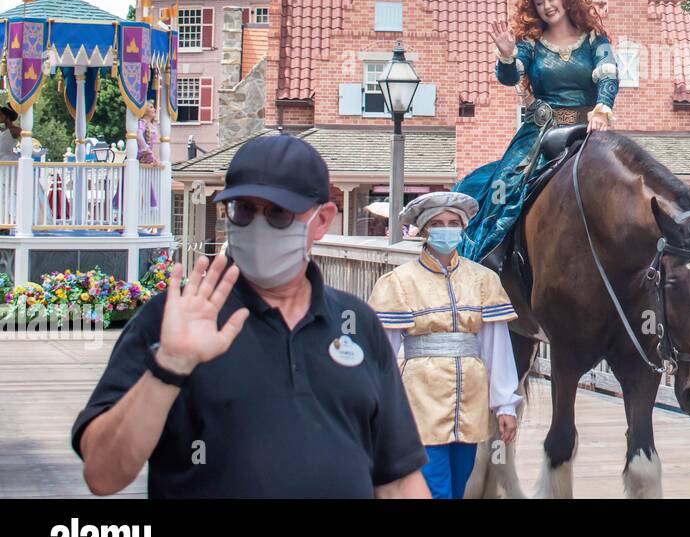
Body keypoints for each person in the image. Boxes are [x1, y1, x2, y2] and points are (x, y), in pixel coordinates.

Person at [71, 133, 429, 498]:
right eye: (242, 210)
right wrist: (168, 367)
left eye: (278, 213)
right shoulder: (175, 317)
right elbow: (103, 474)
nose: (257, 227)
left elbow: (398, 479)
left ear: (322, 221)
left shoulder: (357, 323)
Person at [455, 0, 619, 262]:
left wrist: (602, 110)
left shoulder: (595, 39)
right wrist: (506, 54)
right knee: (502, 188)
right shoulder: (530, 44)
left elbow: (608, 75)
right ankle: (487, 258)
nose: (547, 7)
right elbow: (510, 76)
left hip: (590, 128)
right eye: (540, 2)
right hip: (541, 133)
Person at [368, 191, 522, 499]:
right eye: (438, 223)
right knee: (434, 487)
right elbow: (382, 352)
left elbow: (496, 346)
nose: (446, 229)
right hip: (420, 398)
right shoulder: (398, 282)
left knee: (460, 480)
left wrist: (505, 404)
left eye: (453, 222)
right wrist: (377, 407)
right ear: (424, 229)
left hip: (470, 401)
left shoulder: (483, 280)